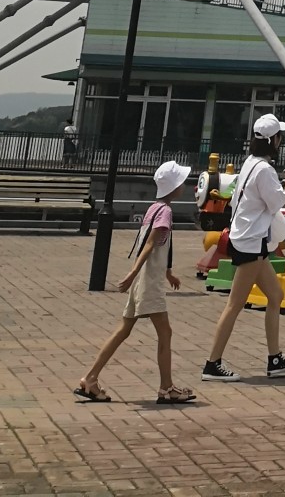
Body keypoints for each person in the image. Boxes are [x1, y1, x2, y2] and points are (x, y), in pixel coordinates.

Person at [75, 160, 196, 406]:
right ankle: (166, 388)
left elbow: (156, 246)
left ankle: (91, 378)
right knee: (165, 333)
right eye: (182, 182)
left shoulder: (154, 208)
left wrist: (167, 272)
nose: (184, 185)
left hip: (144, 279)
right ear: (175, 187)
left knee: (124, 330)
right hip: (147, 281)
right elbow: (150, 245)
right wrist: (132, 273)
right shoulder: (166, 211)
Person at [201, 114, 285, 382]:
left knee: (276, 295)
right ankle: (212, 364)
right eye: (279, 136)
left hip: (245, 238)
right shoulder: (266, 170)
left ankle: (275, 359)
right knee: (235, 304)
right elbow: (281, 202)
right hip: (251, 242)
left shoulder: (249, 163)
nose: (281, 140)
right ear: (274, 141)